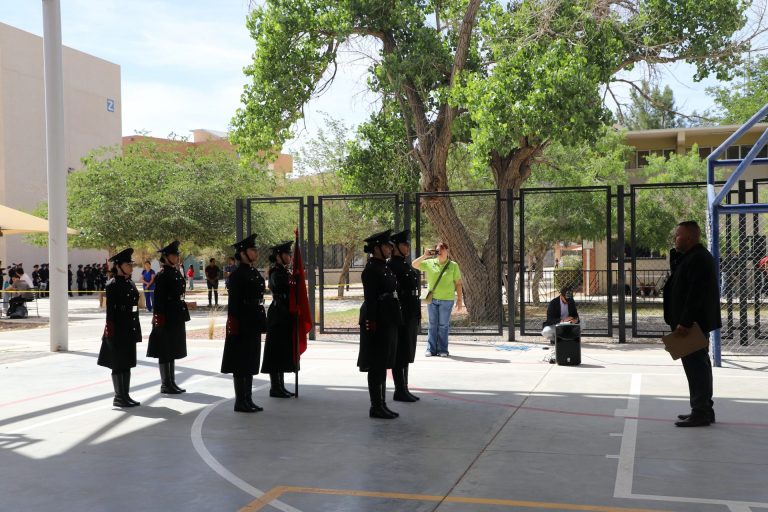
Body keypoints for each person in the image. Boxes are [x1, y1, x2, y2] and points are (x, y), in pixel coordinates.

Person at [663, 220, 721, 427]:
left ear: (689, 238)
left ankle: (701, 412)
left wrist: (685, 322)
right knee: (698, 366)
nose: (675, 238)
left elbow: (696, 294)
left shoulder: (698, 259)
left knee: (696, 368)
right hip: (693, 323)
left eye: (678, 235)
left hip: (692, 325)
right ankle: (703, 408)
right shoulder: (691, 257)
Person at [358, 229, 402, 419]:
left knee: (383, 363)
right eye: (386, 246)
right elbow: (371, 300)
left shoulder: (384, 267)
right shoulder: (371, 270)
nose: (390, 249)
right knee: (376, 364)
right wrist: (372, 322)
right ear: (376, 248)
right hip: (378, 320)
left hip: (388, 318)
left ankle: (382, 404)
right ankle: (376, 406)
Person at [221, 234, 268, 412]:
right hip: (242, 322)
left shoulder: (253, 272)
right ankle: (240, 401)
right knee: (241, 362)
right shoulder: (237, 275)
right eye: (252, 250)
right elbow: (233, 304)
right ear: (242, 253)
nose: (256, 252)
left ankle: (248, 399)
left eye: (255, 249)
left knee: (251, 360)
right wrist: (233, 325)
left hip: (253, 319)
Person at [97, 248, 142, 408]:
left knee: (127, 361)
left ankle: (126, 395)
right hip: (118, 328)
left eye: (131, 264)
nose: (131, 267)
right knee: (118, 363)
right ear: (118, 266)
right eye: (128, 264)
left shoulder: (129, 283)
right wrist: (110, 333)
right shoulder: (113, 285)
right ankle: (119, 397)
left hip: (130, 326)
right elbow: (110, 313)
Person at [146, 241, 190, 394]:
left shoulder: (175, 272)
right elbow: (158, 299)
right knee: (165, 350)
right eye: (173, 255)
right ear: (165, 257)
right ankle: (166, 384)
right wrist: (159, 319)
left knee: (172, 348)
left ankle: (172, 381)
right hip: (166, 316)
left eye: (177, 255)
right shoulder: (162, 275)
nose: (176, 257)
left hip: (176, 314)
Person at [412, 240, 462, 357]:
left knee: (443, 325)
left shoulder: (453, 265)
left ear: (447, 251)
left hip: (447, 300)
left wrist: (459, 300)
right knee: (432, 324)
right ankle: (431, 349)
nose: (440, 251)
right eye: (438, 249)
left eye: (442, 249)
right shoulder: (430, 263)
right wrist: (424, 256)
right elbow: (414, 264)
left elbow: (458, 283)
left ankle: (443, 350)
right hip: (432, 299)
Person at [261, 241, 298, 398]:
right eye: (287, 254)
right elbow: (281, 288)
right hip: (278, 313)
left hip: (285, 313)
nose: (290, 256)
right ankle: (275, 387)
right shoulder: (276, 272)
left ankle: (280, 386)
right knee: (275, 351)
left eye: (290, 254)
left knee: (282, 350)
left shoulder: (284, 271)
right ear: (278, 256)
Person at [388, 229, 421, 402]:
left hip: (410, 312)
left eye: (408, 244)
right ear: (395, 246)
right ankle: (399, 389)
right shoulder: (392, 265)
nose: (407, 247)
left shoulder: (404, 264)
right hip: (402, 313)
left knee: (407, 352)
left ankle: (404, 387)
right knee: (400, 352)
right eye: (404, 244)